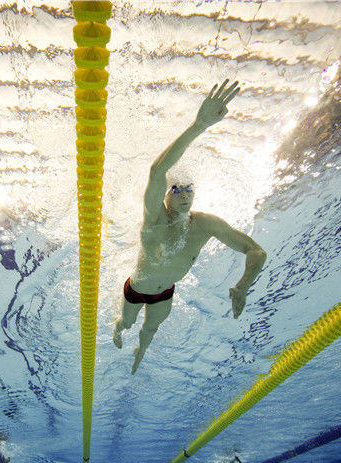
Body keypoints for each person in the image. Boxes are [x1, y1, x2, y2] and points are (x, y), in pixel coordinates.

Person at [112, 79, 267, 374]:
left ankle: (139, 355)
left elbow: (256, 252)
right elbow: (157, 171)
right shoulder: (154, 219)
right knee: (129, 322)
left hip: (165, 293)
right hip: (137, 289)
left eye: (189, 189)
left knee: (149, 333)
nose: (184, 195)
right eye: (177, 190)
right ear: (166, 196)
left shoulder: (206, 224)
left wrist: (243, 286)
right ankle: (119, 329)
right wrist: (200, 125)